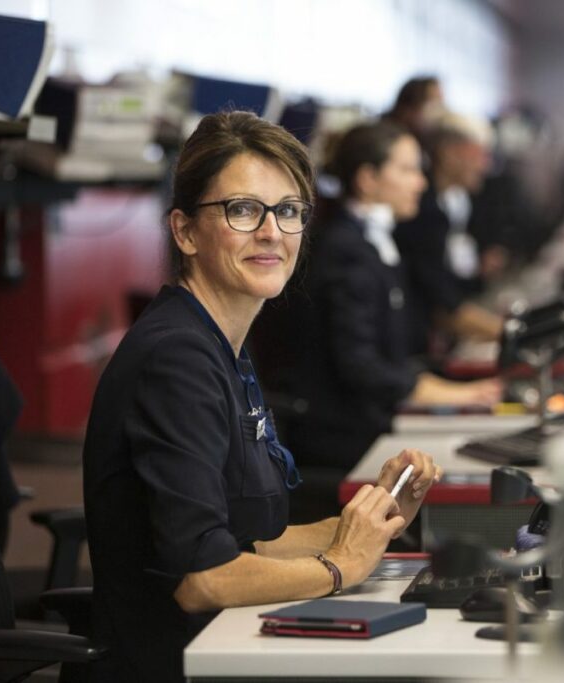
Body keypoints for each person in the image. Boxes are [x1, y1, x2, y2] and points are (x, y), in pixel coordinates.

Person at [82, 111, 442, 682]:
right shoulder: (176, 361)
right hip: (179, 663)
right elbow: (204, 576)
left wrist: (371, 517)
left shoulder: (218, 340)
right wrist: (339, 565)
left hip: (226, 642)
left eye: (289, 211)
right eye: (243, 210)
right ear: (184, 231)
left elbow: (246, 543)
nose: (272, 231)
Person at [283, 121, 502, 477]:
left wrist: (438, 385)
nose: (421, 182)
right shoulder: (346, 249)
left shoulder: (376, 243)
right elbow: (359, 364)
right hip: (344, 437)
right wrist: (436, 391)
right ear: (368, 179)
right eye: (407, 170)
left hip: (370, 421)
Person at [393, 111, 505, 357]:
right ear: (448, 153)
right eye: (479, 154)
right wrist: (511, 333)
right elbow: (443, 306)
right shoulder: (423, 212)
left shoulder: (456, 203)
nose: (485, 165)